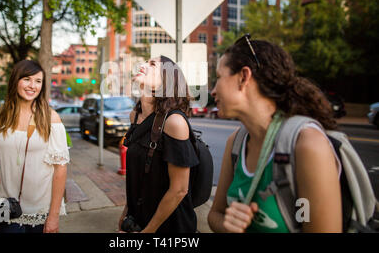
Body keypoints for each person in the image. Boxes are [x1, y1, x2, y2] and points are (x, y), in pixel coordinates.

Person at [208, 35, 343, 233]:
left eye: (218, 77)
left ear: (244, 77)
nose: (212, 91)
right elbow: (215, 215)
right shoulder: (236, 143)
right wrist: (228, 226)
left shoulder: (306, 145)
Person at [0, 60, 70, 233]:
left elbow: (60, 169)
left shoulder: (51, 118)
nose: (32, 86)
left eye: (38, 81)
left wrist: (54, 215)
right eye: (27, 79)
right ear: (15, 81)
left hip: (40, 211)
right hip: (4, 208)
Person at [118, 55, 199, 233]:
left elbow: (179, 190)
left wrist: (148, 231)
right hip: (138, 219)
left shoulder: (174, 122)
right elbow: (139, 176)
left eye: (152, 64)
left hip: (171, 227)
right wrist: (126, 214)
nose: (144, 65)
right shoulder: (135, 116)